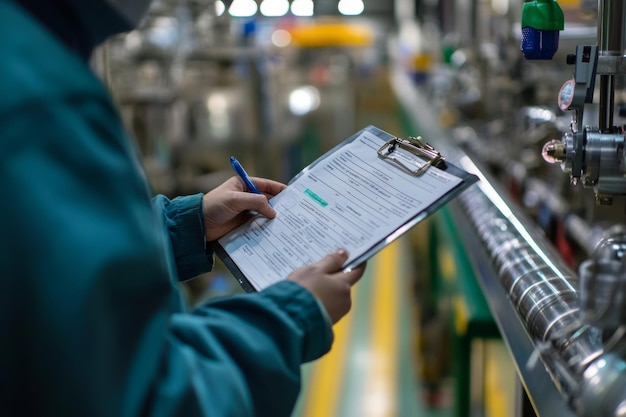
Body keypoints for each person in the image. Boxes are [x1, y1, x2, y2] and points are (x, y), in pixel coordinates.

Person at [0, 1, 367, 416]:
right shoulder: (40, 97)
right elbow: (149, 397)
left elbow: (47, 268)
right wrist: (295, 315)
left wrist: (181, 226)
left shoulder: (30, 55)